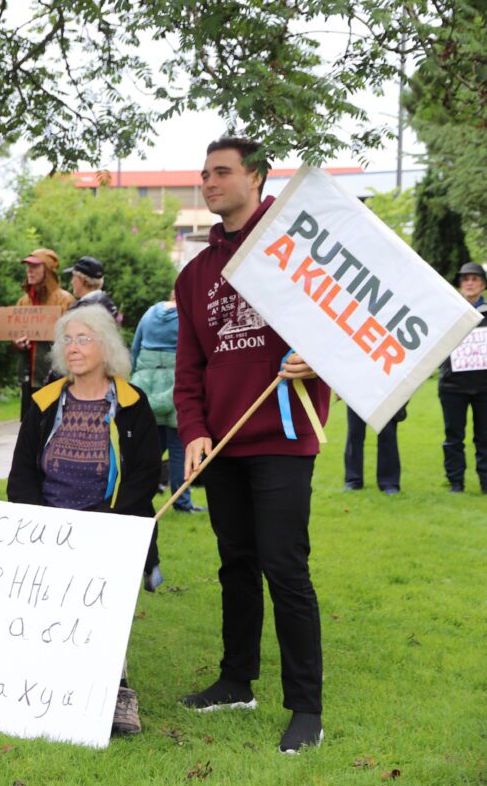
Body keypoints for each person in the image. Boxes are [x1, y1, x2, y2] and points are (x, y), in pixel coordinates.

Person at [174, 136, 330, 754]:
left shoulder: (296, 251)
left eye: (221, 172)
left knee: (284, 568)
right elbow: (189, 368)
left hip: (283, 439)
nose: (209, 183)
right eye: (204, 174)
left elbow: (340, 334)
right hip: (222, 445)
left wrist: (318, 360)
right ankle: (236, 681)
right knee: (234, 564)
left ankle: (306, 708)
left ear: (257, 177)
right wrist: (194, 430)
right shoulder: (194, 275)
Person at [7, 304, 160, 735]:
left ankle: (118, 692)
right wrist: (40, 522)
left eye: (83, 339)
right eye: (67, 340)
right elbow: (22, 473)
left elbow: (145, 475)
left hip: (110, 524)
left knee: (104, 611)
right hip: (50, 525)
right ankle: (50, 688)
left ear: (106, 347)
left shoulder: (132, 403)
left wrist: (108, 523)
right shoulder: (44, 401)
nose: (72, 348)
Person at [130, 291, 204, 513]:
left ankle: (136, 496)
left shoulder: (149, 313)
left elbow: (135, 348)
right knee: (179, 450)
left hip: (147, 384)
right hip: (176, 385)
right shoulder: (187, 315)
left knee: (150, 450)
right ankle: (182, 502)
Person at [0, 248, 75, 417]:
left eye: (35, 266)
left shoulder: (65, 300)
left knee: (52, 425)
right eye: (28, 266)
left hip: (55, 377)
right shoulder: (23, 301)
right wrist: (17, 343)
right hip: (28, 378)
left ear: (47, 270)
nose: (29, 270)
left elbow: (72, 339)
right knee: (29, 427)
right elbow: (13, 339)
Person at [438, 262, 487, 493]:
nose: (469, 283)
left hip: (484, 387)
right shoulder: (448, 313)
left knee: (485, 437)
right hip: (452, 385)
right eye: (465, 279)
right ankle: (456, 482)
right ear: (459, 284)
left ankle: (485, 482)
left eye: (475, 279)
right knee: (453, 436)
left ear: (483, 285)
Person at [343, 405, 403, 494]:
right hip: (356, 396)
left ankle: (389, 483)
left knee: (387, 433)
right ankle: (353, 480)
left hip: (384, 397)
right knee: (354, 433)